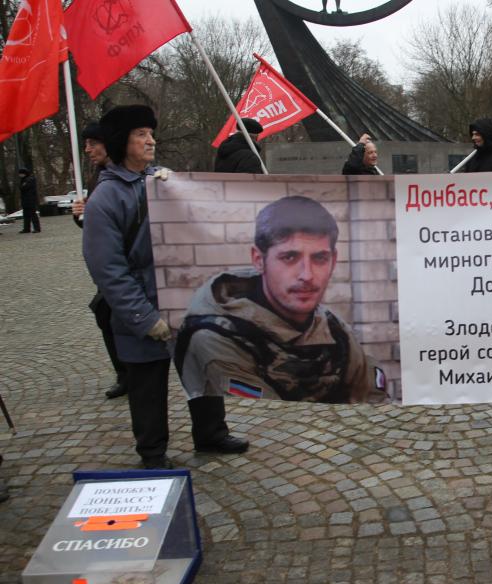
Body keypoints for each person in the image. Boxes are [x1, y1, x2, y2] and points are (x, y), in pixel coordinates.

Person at [83, 105, 248, 470]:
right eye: (141, 133)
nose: (151, 140)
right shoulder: (106, 199)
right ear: (121, 141)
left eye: (150, 133)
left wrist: (182, 195)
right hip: (144, 311)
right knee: (147, 387)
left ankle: (211, 433)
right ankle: (153, 454)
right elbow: (108, 269)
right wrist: (144, 317)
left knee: (203, 370)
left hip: (186, 304)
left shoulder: (163, 180)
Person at [174, 196, 388, 404]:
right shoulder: (216, 338)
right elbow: (268, 426)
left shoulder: (334, 329)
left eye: (319, 258)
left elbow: (373, 401)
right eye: (289, 257)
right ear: (259, 260)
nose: (307, 275)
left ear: (333, 261)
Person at [73, 122, 128, 399]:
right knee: (106, 315)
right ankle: (125, 372)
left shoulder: (120, 175)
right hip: (107, 264)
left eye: (93, 143)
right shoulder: (99, 176)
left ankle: (129, 373)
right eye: (85, 144)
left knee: (110, 313)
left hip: (123, 264)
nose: (87, 149)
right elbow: (96, 226)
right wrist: (81, 214)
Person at [18, 167, 40, 234]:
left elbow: (23, 188)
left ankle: (36, 228)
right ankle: (26, 228)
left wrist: (22, 186)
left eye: (20, 174)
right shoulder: (25, 179)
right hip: (26, 199)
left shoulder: (29, 180)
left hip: (30, 199)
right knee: (26, 215)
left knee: (32, 214)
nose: (19, 175)